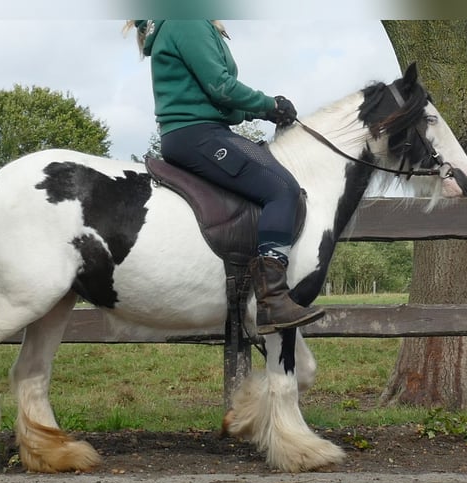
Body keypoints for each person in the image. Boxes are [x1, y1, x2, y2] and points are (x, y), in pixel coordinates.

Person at [125, 19, 324, 335]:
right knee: (282, 189)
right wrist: (269, 106)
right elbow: (220, 85)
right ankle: (272, 299)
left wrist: (255, 111)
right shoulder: (186, 20)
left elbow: (216, 97)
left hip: (198, 131)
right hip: (198, 135)